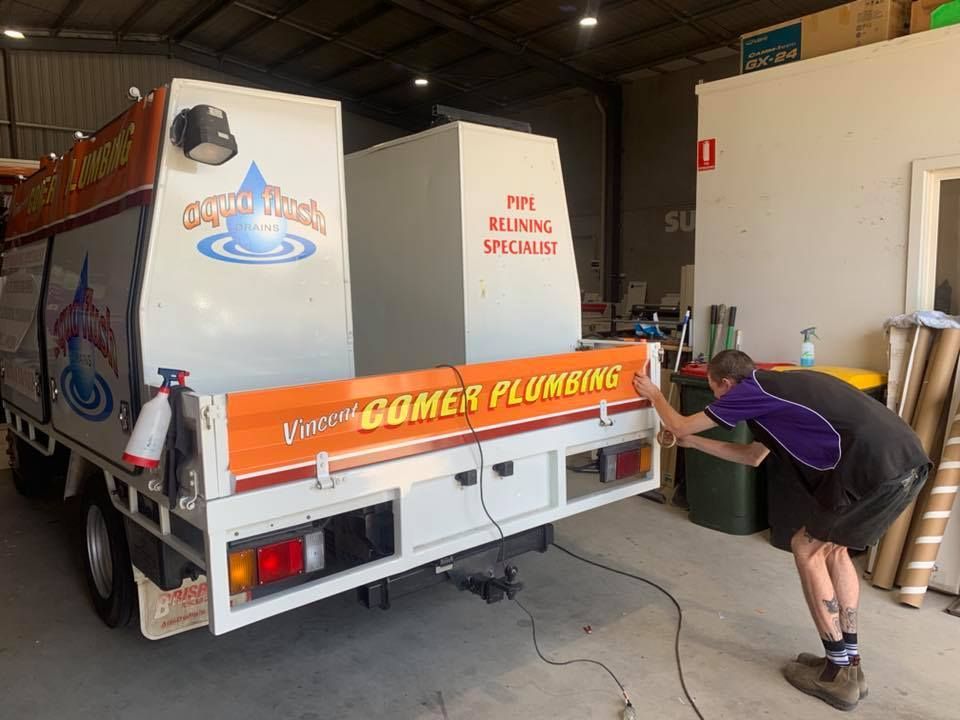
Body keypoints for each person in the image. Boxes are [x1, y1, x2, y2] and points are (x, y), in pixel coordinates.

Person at [633, 350, 929, 712]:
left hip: (872, 466)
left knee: (806, 548)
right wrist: (694, 443)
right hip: (906, 461)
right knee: (833, 550)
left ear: (726, 383)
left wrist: (655, 395)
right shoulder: (776, 394)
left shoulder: (749, 391)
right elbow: (751, 456)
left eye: (714, 392)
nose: (718, 403)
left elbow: (678, 425)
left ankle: (839, 674)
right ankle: (848, 664)